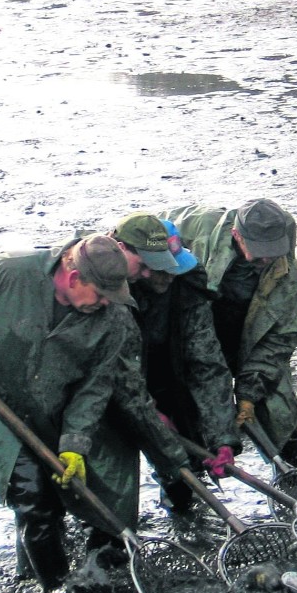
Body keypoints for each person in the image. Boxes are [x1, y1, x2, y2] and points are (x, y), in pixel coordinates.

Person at [0, 234, 187, 593]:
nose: (104, 303)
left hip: (55, 405)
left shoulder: (112, 318)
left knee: (62, 494)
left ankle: (47, 576)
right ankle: (55, 591)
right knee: (33, 497)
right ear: (73, 279)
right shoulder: (8, 271)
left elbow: (94, 389)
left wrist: (74, 443)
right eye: (99, 294)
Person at [159, 199, 297, 468]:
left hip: (252, 333)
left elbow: (280, 340)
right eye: (260, 252)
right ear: (236, 235)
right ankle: (187, 495)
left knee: (280, 413)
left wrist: (248, 394)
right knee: (188, 414)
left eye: (273, 251)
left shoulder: (285, 273)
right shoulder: (196, 226)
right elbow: (139, 238)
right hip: (195, 328)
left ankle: (295, 484)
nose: (267, 259)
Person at [108, 212, 241, 511]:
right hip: (116, 387)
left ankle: (184, 516)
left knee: (184, 468)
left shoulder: (187, 287)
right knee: (112, 475)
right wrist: (150, 411)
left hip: (170, 376)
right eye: (160, 270)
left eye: (174, 269)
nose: (169, 276)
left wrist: (223, 437)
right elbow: (115, 369)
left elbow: (206, 363)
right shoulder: (110, 290)